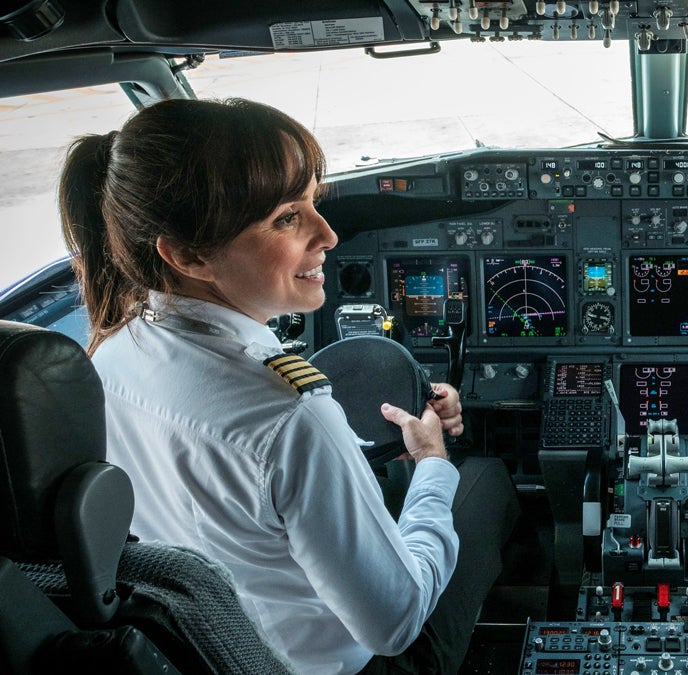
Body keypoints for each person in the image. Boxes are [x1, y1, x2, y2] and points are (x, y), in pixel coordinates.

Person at [59, 97, 515, 674]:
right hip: (358, 660)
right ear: (188, 254)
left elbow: (255, 485)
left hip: (221, 645)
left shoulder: (110, 355)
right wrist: (432, 461)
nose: (327, 234)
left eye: (312, 204)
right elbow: (395, 624)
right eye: (286, 218)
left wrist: (373, 446)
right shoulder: (290, 417)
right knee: (482, 480)